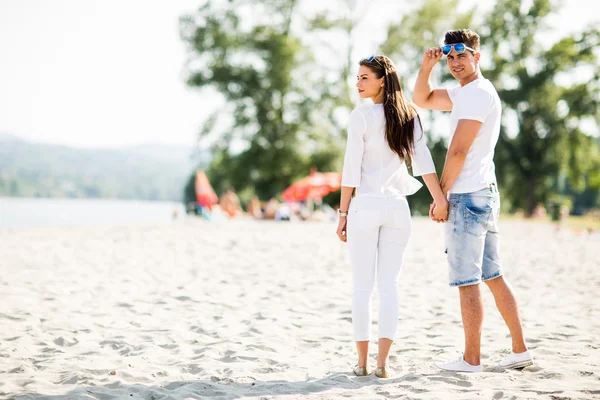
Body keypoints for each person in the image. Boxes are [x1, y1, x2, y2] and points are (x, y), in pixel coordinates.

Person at [413, 29, 533, 372]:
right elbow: (422, 98)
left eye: (461, 55)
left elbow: (459, 149)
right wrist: (427, 66)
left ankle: (471, 359)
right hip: (482, 192)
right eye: (449, 57)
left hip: (468, 195)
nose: (454, 62)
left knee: (466, 280)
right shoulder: (464, 92)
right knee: (493, 274)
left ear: (476, 57)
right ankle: (520, 350)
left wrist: (442, 196)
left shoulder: (478, 93)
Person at [336, 55, 448, 378]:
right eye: (357, 78)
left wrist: (343, 213)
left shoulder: (361, 117)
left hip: (365, 205)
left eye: (364, 78)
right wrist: (438, 198)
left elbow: (350, 169)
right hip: (398, 208)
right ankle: (383, 364)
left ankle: (362, 363)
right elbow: (423, 161)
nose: (358, 83)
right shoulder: (408, 114)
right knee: (389, 287)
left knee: (362, 288)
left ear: (382, 80)